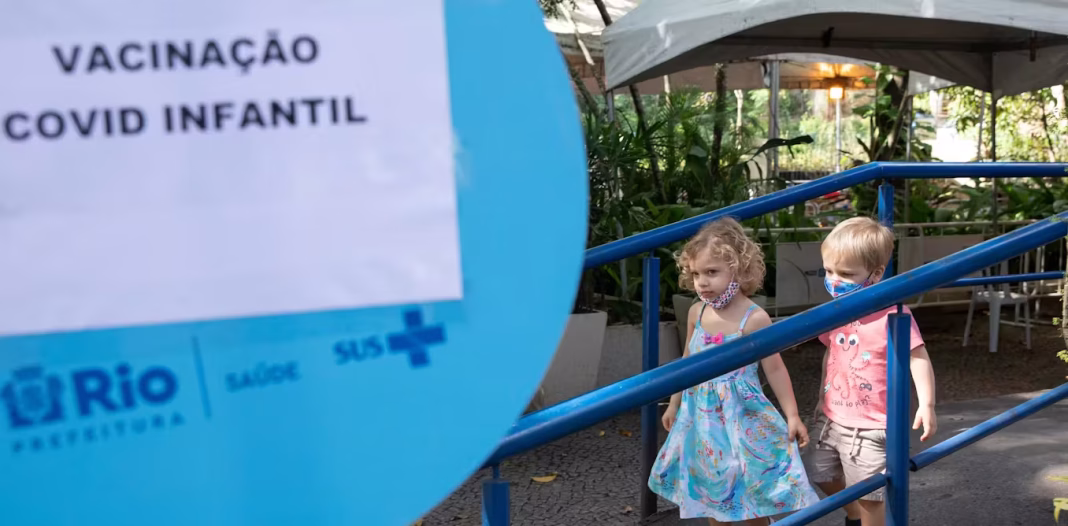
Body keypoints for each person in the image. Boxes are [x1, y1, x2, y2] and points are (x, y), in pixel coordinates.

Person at [649, 217, 819, 525]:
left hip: (740, 417)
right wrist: (674, 403)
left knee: (751, 490)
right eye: (696, 273)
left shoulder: (754, 319)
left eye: (712, 272)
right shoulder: (697, 311)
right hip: (702, 419)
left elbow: (775, 368)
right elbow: (687, 361)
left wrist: (793, 415)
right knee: (712, 492)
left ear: (738, 270)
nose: (702, 282)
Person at [803, 217, 938, 526]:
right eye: (828, 271)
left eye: (846, 274)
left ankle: (863, 517)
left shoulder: (893, 314)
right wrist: (822, 395)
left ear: (875, 274)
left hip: (871, 425)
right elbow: (831, 353)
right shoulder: (836, 309)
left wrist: (927, 404)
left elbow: (918, 357)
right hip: (832, 416)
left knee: (869, 498)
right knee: (820, 473)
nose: (834, 281)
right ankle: (853, 515)